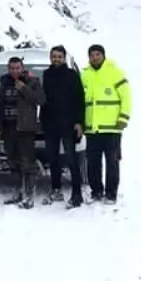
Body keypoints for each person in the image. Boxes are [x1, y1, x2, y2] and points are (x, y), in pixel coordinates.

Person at [80, 43, 131, 203]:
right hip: (92, 129)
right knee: (93, 163)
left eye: (97, 54)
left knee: (112, 162)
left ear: (103, 55)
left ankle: (111, 193)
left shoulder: (115, 72)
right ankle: (96, 192)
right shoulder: (84, 74)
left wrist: (123, 118)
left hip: (112, 128)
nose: (94, 58)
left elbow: (126, 97)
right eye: (92, 55)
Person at [40, 45, 85, 207]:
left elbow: (80, 99)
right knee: (53, 160)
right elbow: (44, 100)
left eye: (59, 56)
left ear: (64, 58)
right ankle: (56, 189)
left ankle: (77, 194)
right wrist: (42, 121)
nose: (56, 59)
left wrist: (79, 122)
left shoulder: (71, 75)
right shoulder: (47, 74)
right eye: (54, 56)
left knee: (71, 160)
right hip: (50, 124)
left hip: (68, 123)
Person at [0, 56, 46, 207]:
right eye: (12, 68)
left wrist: (24, 88)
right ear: (8, 68)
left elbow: (40, 100)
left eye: (17, 68)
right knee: (13, 162)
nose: (14, 71)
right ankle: (17, 192)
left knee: (28, 163)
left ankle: (29, 195)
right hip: (8, 127)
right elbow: (0, 104)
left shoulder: (33, 81)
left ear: (22, 67)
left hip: (25, 127)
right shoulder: (4, 82)